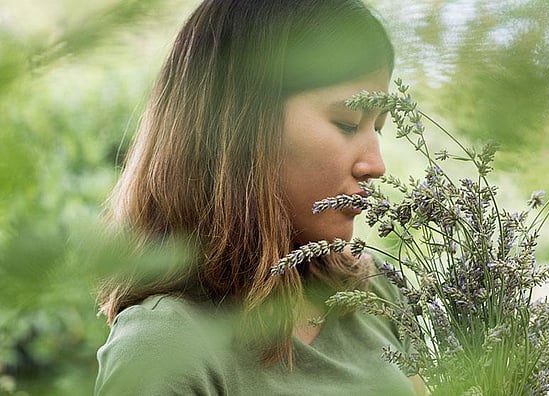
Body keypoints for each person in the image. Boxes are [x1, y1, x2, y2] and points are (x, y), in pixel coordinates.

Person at [94, 0, 425, 394]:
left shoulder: (378, 294)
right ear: (241, 127)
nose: (375, 164)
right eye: (346, 123)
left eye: (379, 129)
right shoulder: (163, 347)